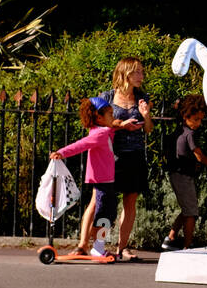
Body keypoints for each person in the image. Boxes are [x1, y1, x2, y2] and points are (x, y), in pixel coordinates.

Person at [49, 97, 138, 257]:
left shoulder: (103, 131)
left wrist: (121, 125)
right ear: (99, 117)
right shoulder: (100, 134)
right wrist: (61, 152)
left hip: (106, 180)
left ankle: (98, 245)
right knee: (104, 214)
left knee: (107, 214)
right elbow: (80, 145)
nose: (114, 117)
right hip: (102, 181)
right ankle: (98, 247)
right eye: (110, 114)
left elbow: (112, 127)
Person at [101, 58, 153, 261]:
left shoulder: (142, 97)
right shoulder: (108, 97)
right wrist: (121, 125)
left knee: (130, 203)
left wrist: (145, 115)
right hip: (112, 155)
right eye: (137, 72)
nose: (141, 76)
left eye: (142, 72)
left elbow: (148, 129)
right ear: (126, 74)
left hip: (135, 154)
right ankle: (100, 244)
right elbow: (98, 124)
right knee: (105, 202)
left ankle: (122, 247)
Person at [163, 95, 207, 251]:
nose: (199, 123)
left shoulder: (181, 130)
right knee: (191, 212)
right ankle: (187, 245)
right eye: (196, 119)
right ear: (186, 116)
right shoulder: (189, 134)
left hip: (180, 174)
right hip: (182, 176)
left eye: (200, 119)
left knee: (187, 210)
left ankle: (170, 238)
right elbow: (198, 155)